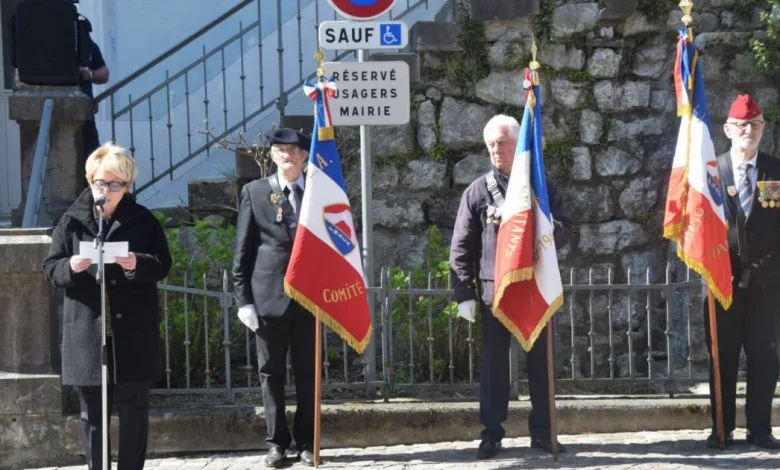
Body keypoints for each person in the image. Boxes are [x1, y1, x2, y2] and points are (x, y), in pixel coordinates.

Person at [42, 142, 172, 470]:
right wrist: (71, 266)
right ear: (90, 181)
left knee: (134, 411)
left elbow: (162, 264)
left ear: (127, 186)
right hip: (88, 334)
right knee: (93, 414)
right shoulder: (72, 221)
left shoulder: (143, 221)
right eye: (101, 182)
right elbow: (50, 268)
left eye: (116, 184)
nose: (107, 190)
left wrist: (135, 263)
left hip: (132, 334)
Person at [449, 115, 572, 459]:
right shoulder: (477, 191)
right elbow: (461, 246)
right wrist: (464, 295)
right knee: (494, 368)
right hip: (495, 293)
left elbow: (564, 229)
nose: (496, 150)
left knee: (541, 366)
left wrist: (537, 222)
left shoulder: (542, 186)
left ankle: (544, 432)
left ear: (517, 144)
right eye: (490, 144)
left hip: (535, 287)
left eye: (502, 143)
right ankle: (491, 433)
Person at [232, 128, 315, 468]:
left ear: (305, 155)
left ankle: (308, 441)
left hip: (310, 298)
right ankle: (276, 443)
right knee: (271, 372)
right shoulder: (254, 192)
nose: (287, 156)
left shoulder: (318, 192)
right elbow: (243, 250)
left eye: (293, 150)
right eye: (280, 150)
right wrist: (243, 301)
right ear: (271, 156)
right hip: (268, 298)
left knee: (309, 373)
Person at [706, 94, 780, 449]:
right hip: (722, 283)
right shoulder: (710, 172)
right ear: (727, 130)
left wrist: (764, 268)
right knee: (722, 356)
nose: (747, 130)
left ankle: (760, 429)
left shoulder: (776, 171)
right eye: (741, 125)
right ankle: (721, 428)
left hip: (767, 285)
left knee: (765, 357)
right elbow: (697, 228)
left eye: (754, 124)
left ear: (763, 130)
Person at [14, 22, 109, 182]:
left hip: (83, 116)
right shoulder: (39, 41)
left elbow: (104, 73)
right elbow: (20, 80)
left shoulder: (83, 41)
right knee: (50, 172)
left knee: (93, 164)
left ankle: (94, 201)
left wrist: (90, 74)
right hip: (45, 115)